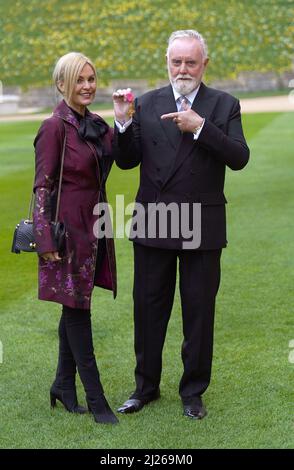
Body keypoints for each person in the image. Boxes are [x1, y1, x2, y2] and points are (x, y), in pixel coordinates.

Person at [112, 30, 249, 419]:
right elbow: (126, 161)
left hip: (202, 226)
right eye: (177, 62)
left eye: (191, 62)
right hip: (154, 222)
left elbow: (239, 157)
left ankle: (193, 392)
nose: (183, 69)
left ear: (204, 64)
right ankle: (145, 388)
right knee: (148, 310)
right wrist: (122, 125)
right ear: (167, 63)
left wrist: (201, 128)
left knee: (199, 312)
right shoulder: (147, 102)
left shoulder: (224, 104)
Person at [33, 52, 118, 424]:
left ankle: (63, 386)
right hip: (67, 234)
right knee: (78, 312)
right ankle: (97, 401)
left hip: (94, 228)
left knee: (75, 305)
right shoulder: (54, 127)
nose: (87, 86)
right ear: (61, 84)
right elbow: (42, 186)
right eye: (79, 80)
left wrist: (126, 121)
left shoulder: (96, 123)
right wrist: (45, 240)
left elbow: (121, 156)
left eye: (91, 78)